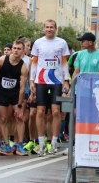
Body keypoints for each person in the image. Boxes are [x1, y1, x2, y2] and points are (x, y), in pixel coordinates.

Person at [29, 20, 70, 156]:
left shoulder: (62, 43)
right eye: (47, 27)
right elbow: (34, 62)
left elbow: (64, 63)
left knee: (56, 113)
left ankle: (53, 142)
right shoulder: (38, 42)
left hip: (56, 81)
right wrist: (31, 80)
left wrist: (66, 81)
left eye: (51, 27)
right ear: (44, 28)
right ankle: (41, 143)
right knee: (40, 112)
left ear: (56, 29)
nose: (49, 29)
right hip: (41, 81)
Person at [0, 40, 28, 156]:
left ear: (23, 51)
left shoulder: (23, 67)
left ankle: (19, 146)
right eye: (14, 48)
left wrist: (20, 106)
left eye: (18, 49)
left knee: (20, 118)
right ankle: (6, 146)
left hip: (15, 94)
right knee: (3, 119)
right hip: (1, 93)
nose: (16, 50)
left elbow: (22, 88)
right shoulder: (2, 60)